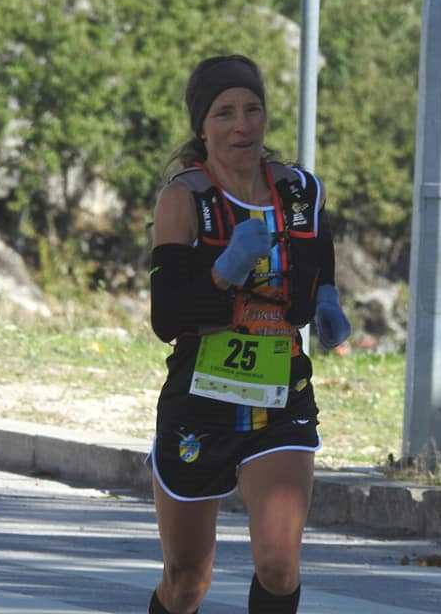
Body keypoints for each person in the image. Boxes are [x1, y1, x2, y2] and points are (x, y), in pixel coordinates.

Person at [147, 54, 351, 614]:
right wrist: (224, 271)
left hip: (279, 396)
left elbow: (319, 255)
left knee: (279, 565)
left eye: (253, 109)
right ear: (202, 126)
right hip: (202, 399)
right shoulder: (184, 199)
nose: (242, 126)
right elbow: (166, 317)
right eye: (224, 113)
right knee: (187, 580)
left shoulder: (301, 192)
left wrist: (327, 300)